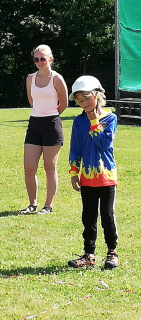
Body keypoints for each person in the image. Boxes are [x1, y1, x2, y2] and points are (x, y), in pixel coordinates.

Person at [67, 76, 119, 269]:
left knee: (107, 215)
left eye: (87, 98)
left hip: (106, 177)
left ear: (97, 95)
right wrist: (74, 173)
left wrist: (95, 121)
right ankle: (89, 255)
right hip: (87, 179)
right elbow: (75, 149)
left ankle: (112, 252)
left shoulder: (110, 118)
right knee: (88, 217)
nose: (84, 103)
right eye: (80, 100)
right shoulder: (78, 122)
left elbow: (105, 144)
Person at [20, 44, 68, 215]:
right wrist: (40, 112)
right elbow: (31, 100)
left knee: (50, 167)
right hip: (34, 124)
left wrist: (51, 115)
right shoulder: (30, 79)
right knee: (29, 167)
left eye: (43, 58)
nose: (39, 62)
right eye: (36, 59)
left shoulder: (57, 79)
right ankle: (32, 204)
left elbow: (64, 103)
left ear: (50, 59)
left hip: (52, 125)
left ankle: (48, 205)